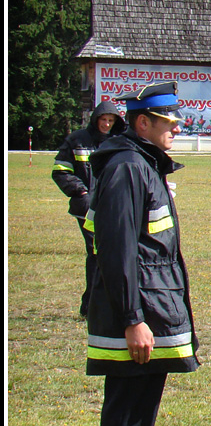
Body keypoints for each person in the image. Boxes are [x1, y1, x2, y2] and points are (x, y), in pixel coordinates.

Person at [84, 81, 201, 426]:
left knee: (139, 410)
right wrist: (133, 319)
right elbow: (116, 251)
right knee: (126, 411)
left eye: (175, 123)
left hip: (151, 307)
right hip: (137, 314)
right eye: (167, 124)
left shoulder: (142, 165)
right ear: (142, 123)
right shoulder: (129, 168)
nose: (174, 130)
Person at [52, 100, 126, 317]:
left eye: (111, 120)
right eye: (103, 119)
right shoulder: (77, 140)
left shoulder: (119, 141)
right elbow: (60, 170)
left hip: (112, 204)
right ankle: (91, 305)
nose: (106, 124)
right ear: (95, 120)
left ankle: (96, 305)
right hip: (86, 206)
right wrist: (81, 191)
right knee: (97, 251)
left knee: (106, 253)